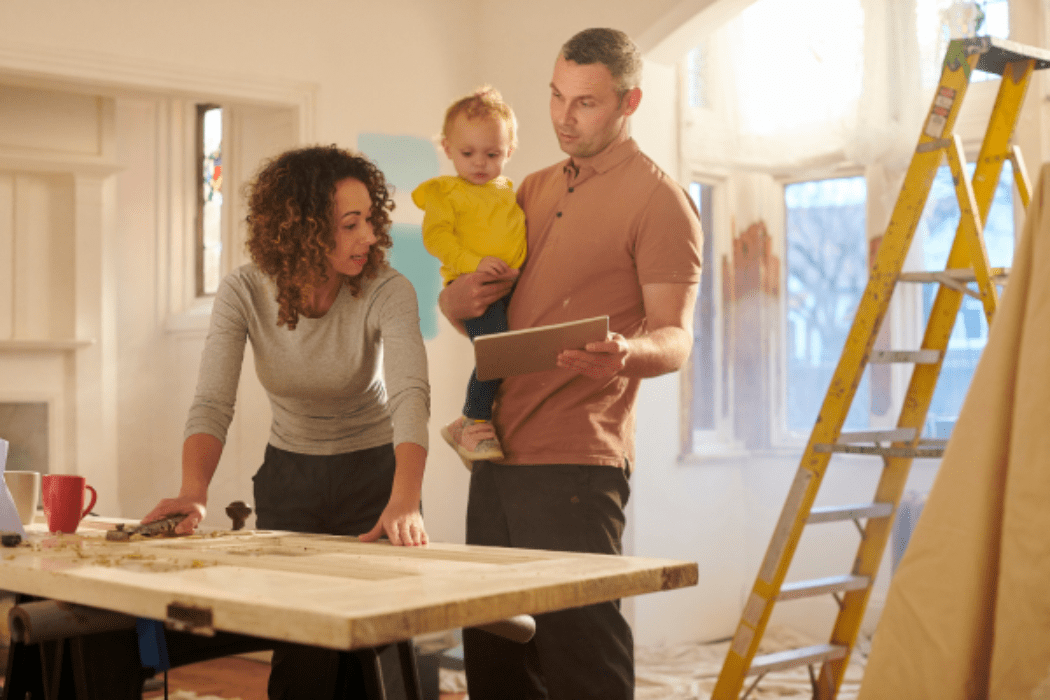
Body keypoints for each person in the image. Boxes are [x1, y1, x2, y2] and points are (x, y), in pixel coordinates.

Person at [438, 28, 703, 700]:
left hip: (578, 458)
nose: (563, 116)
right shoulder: (525, 186)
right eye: (556, 96)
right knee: (494, 655)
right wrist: (455, 299)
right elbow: (484, 313)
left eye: (584, 103)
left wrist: (625, 355)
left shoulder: (660, 201)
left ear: (629, 101)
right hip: (495, 451)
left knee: (579, 654)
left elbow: (676, 338)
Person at [143, 144, 430, 700]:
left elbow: (410, 396)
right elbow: (211, 400)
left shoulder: (388, 289)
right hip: (290, 480)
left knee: (382, 665)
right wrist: (193, 491)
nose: (369, 236)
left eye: (370, 219)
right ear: (301, 229)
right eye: (351, 224)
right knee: (303, 667)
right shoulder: (244, 291)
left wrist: (407, 499)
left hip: (376, 479)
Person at [412, 86, 527, 467]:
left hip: (510, 285)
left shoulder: (510, 190)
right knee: (497, 352)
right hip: (472, 285)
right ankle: (472, 420)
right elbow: (437, 239)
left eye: (492, 154)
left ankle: (476, 421)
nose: (480, 163)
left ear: (509, 151)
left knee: (513, 355)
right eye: (467, 153)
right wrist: (473, 263)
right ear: (447, 148)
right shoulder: (445, 192)